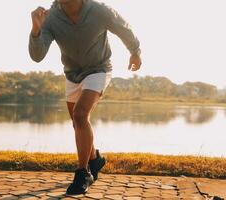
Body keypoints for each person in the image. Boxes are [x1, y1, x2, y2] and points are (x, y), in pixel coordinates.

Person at [29, 0, 142, 195]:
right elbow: (37, 55)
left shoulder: (99, 10)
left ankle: (83, 173)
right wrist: (36, 30)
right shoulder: (51, 18)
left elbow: (124, 28)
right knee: (77, 121)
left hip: (99, 69)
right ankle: (95, 160)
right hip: (72, 74)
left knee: (80, 115)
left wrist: (135, 52)